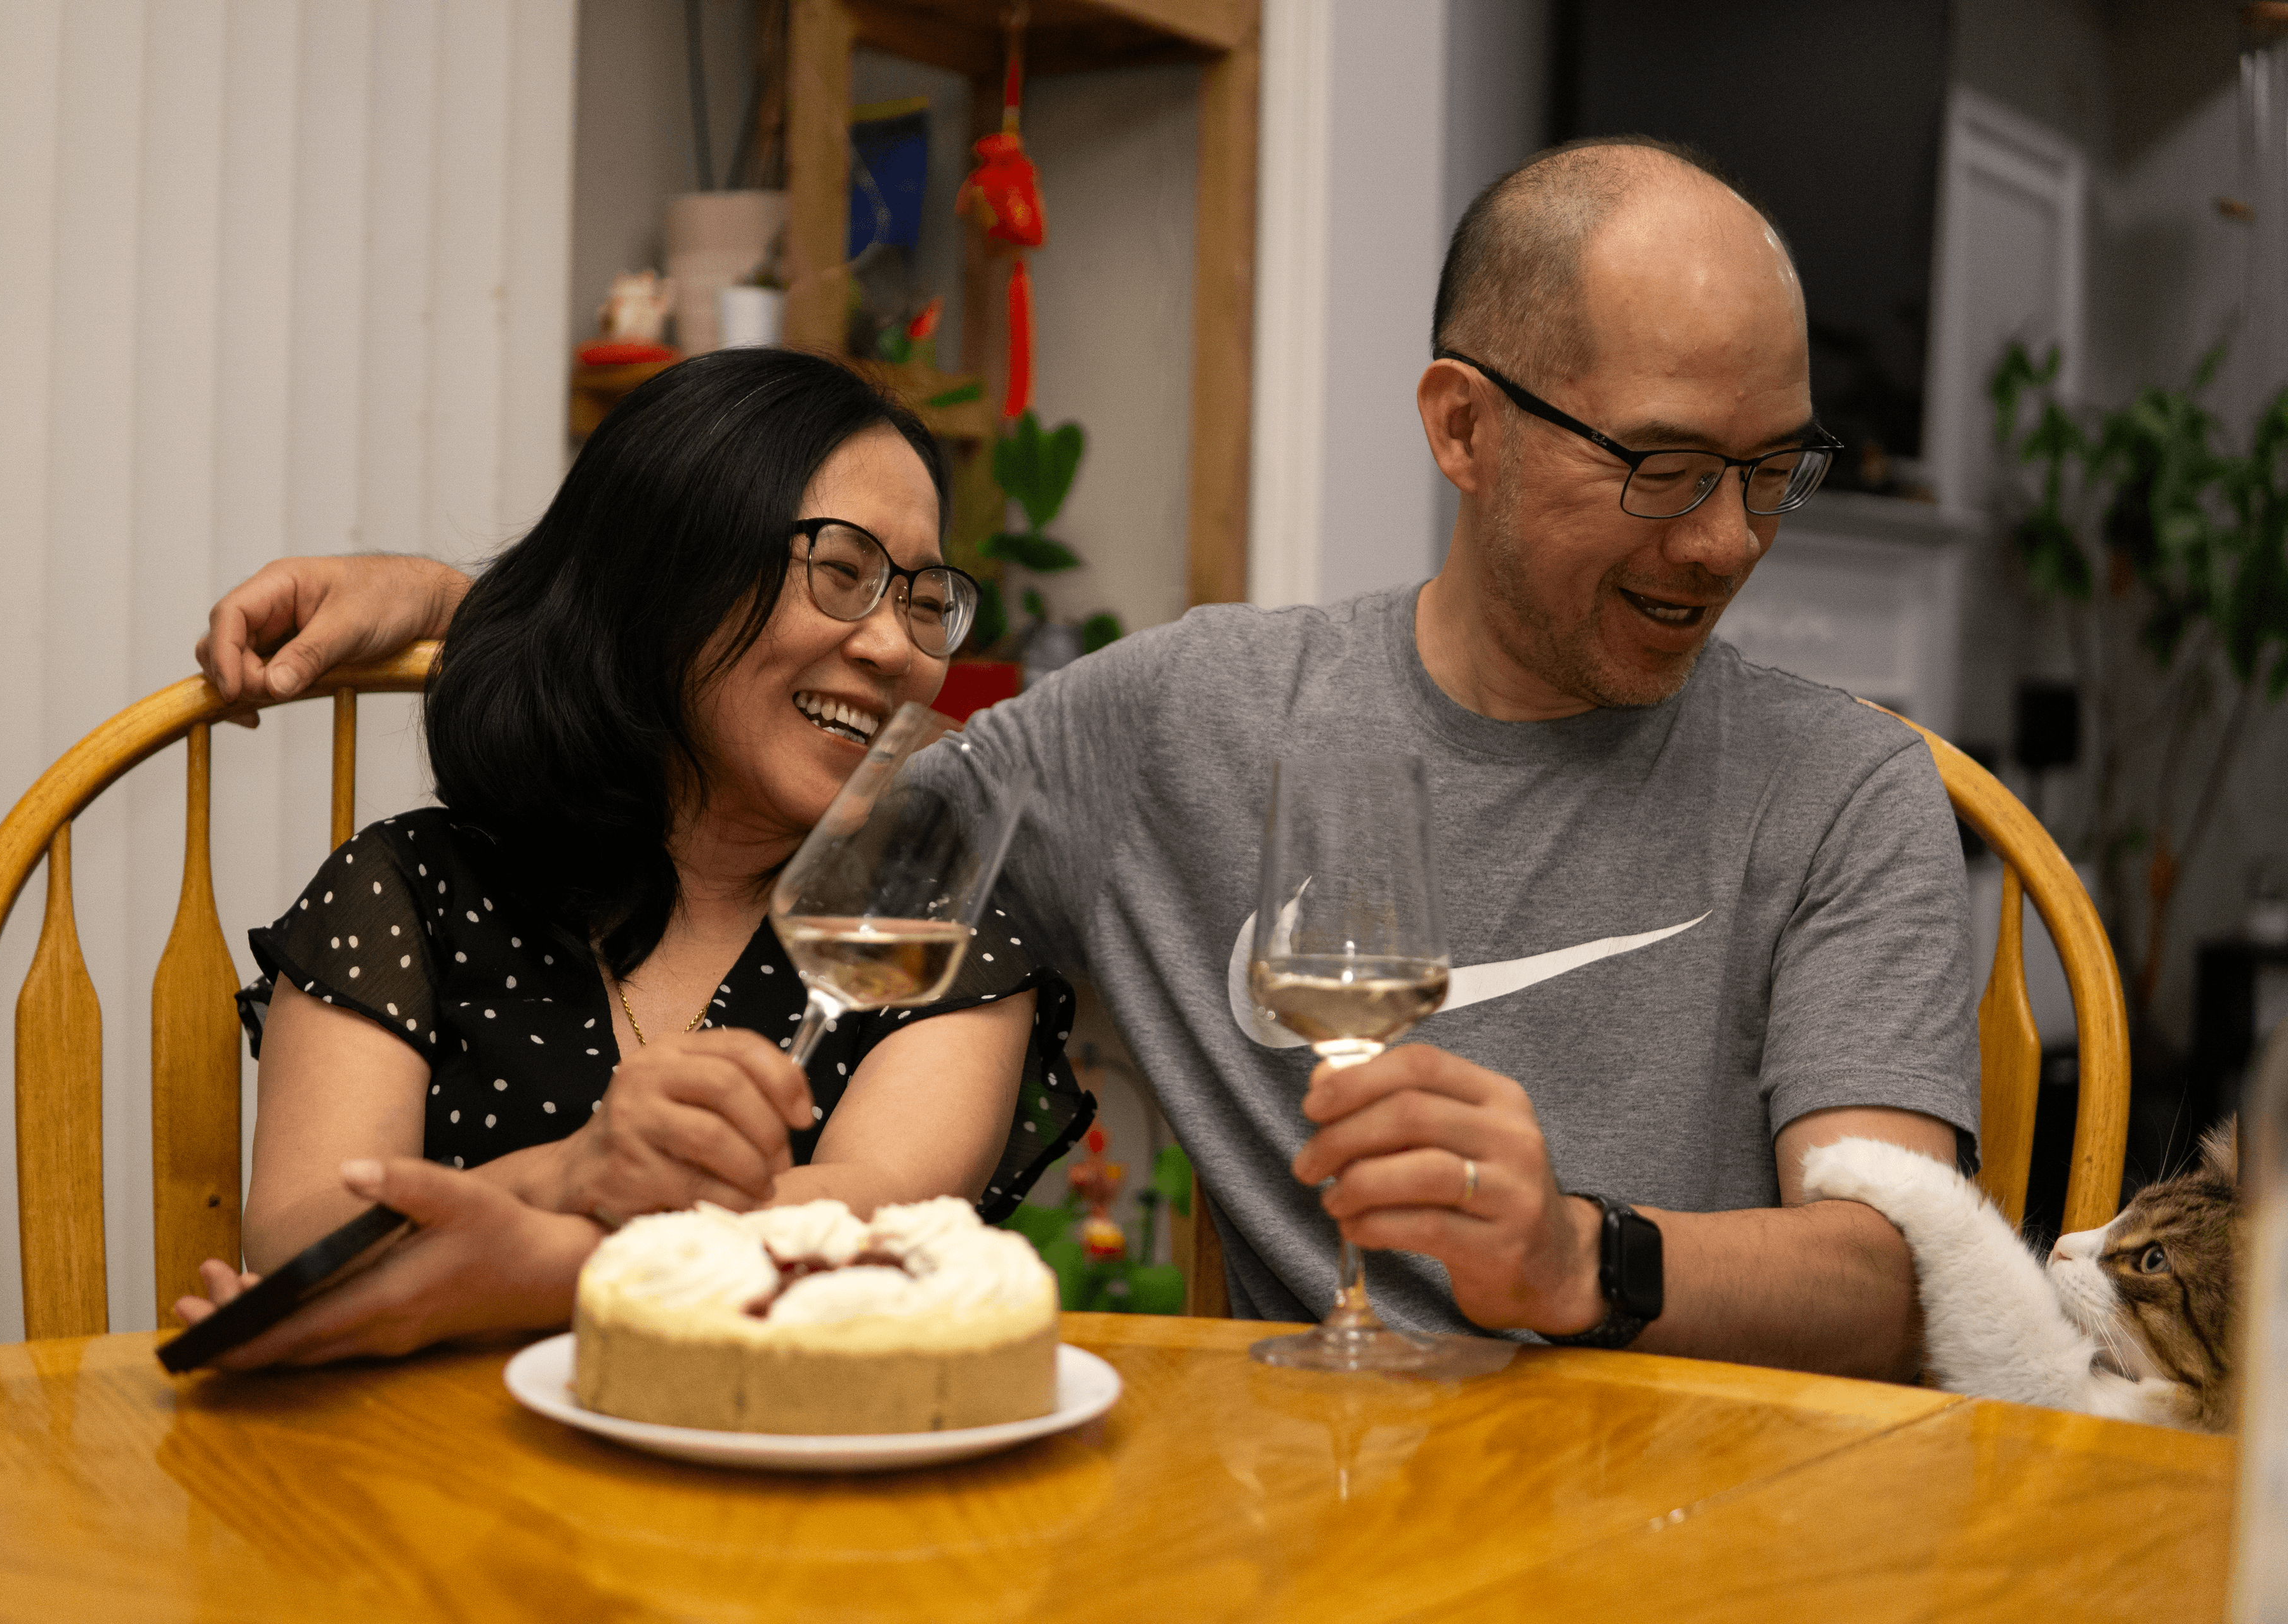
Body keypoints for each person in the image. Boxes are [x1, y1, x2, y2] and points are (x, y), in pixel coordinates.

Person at [199, 139, 1976, 1378]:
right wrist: (482, 602)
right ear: (1463, 427)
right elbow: (775, 730)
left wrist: (1582, 1259)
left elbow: (1896, 1286)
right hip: (1310, 1508)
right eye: (1667, 467)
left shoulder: (1847, 789)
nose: (1730, 542)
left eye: (1775, 470)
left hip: (1718, 1508)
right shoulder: (1179, 722)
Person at [178, 348, 1088, 1366]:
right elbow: (302, 1244)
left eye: (923, 600)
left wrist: (508, 1261)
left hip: (781, 1488)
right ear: (669, 571)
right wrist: (568, 1176)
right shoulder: (413, 891)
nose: (895, 648)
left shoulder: (929, 935)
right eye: (842, 574)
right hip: (433, 1486)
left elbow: (845, 1232)